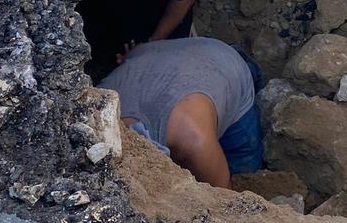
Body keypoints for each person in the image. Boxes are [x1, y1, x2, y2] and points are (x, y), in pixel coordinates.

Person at [100, 37, 264, 189]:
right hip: (149, 55)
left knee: (243, 167)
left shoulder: (192, 141)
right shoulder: (96, 111)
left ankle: (249, 64)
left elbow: (226, 201)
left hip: (224, 60)